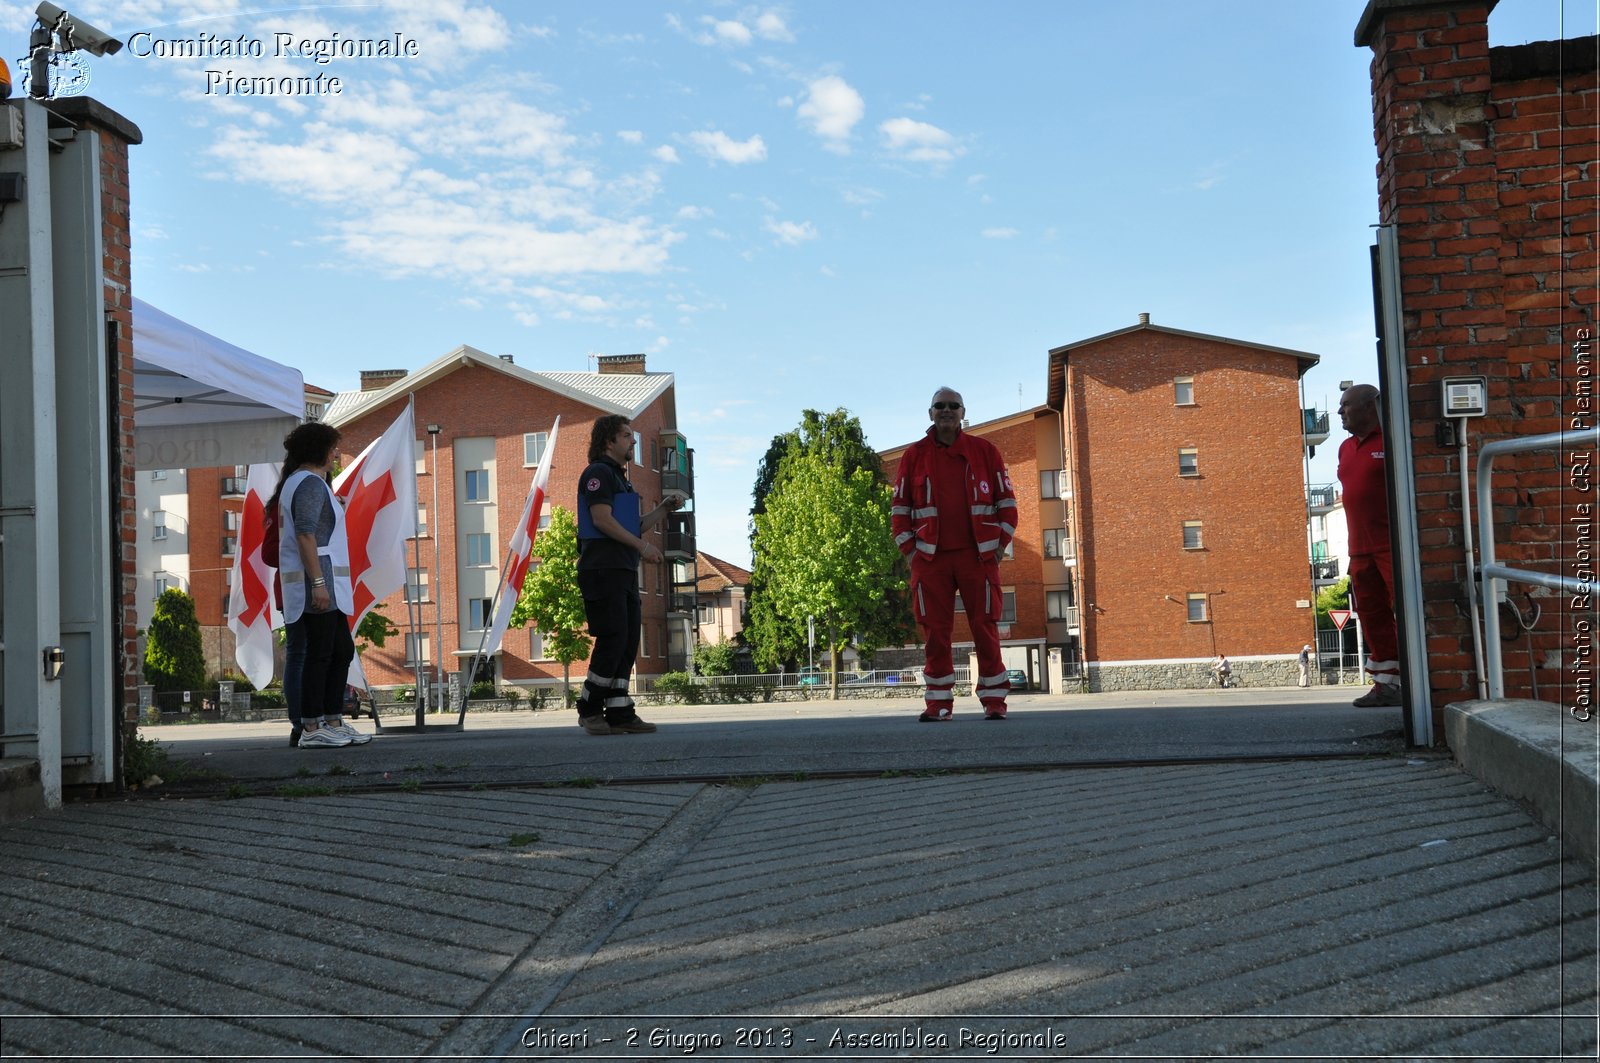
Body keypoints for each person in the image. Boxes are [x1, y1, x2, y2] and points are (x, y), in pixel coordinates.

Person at [891, 387, 1017, 721]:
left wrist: (999, 546)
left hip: (978, 558)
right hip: (930, 559)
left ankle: (994, 702)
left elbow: (1008, 505)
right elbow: (899, 509)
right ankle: (938, 704)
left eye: (953, 406)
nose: (946, 411)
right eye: (940, 406)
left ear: (963, 412)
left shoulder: (986, 452)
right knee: (935, 631)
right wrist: (910, 554)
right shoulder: (913, 456)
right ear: (930, 413)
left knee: (985, 627)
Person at [575, 414, 682, 736]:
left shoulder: (620, 478)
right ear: (609, 441)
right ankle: (590, 709)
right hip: (602, 569)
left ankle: (620, 712)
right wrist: (643, 547)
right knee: (613, 638)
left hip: (621, 570)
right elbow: (602, 519)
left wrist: (662, 509)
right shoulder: (597, 474)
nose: (633, 441)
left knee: (627, 641)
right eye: (627, 436)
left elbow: (629, 524)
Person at [269, 422, 369, 748]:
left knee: (339, 650)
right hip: (317, 585)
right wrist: (319, 584)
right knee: (320, 654)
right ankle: (313, 727)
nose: (336, 454)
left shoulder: (302, 482)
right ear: (322, 451)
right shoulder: (310, 484)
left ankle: (331, 719)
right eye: (333, 448)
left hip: (319, 583)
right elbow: (305, 534)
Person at [1337, 384, 1403, 707]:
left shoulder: (1391, 441)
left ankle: (1416, 680)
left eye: (1346, 405)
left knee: (1404, 610)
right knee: (1371, 615)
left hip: (1390, 544)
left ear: (1368, 407)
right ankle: (1386, 684)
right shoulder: (1344, 449)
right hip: (1359, 549)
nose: (1340, 412)